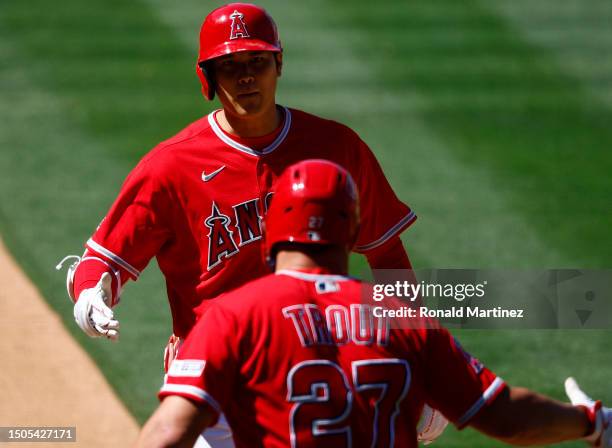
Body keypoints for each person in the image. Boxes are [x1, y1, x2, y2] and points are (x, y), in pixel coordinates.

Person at [56, 3, 447, 445]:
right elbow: (102, 259)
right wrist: (90, 293)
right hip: (214, 385)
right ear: (208, 76)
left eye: (256, 61)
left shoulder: (336, 146)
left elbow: (387, 254)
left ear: (279, 63)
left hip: (315, 379)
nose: (245, 77)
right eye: (230, 65)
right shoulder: (171, 166)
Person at [135, 159, 612, 448]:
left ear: (272, 232)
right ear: (351, 232)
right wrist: (592, 422)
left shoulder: (232, 315)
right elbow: (506, 416)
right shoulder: (401, 317)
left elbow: (166, 435)